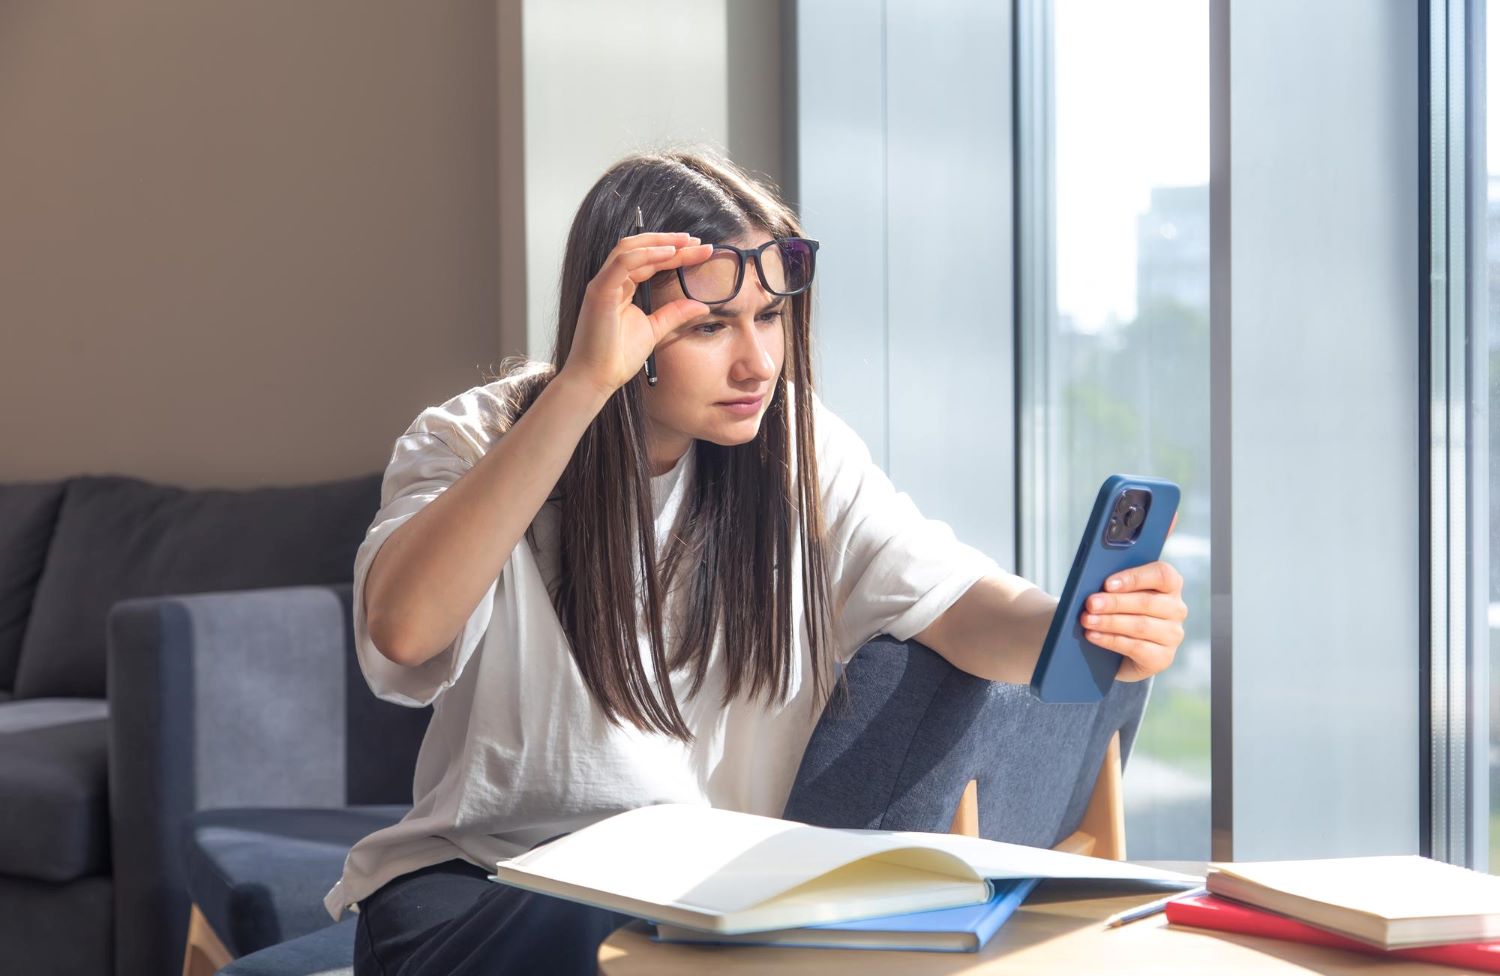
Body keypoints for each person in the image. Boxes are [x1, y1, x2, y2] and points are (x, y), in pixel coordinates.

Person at [327, 148, 1189, 976]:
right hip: (477, 897)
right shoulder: (472, 437)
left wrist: (1085, 622)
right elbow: (405, 631)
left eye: (770, 318)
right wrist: (584, 387)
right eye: (709, 326)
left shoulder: (794, 450)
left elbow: (960, 607)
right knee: (621, 928)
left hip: (696, 904)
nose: (758, 362)